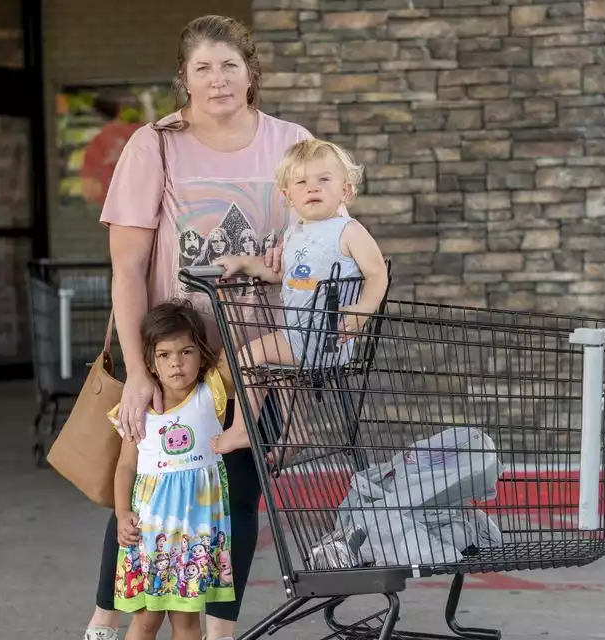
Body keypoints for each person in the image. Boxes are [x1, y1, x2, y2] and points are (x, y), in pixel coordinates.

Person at [85, 13, 348, 640]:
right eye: (202, 68)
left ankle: (218, 632)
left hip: (259, 354)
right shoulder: (157, 144)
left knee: (239, 495)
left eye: (230, 65)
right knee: (152, 493)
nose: (218, 80)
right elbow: (127, 269)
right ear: (184, 78)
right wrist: (139, 372)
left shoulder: (292, 142)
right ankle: (103, 623)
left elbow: (325, 237)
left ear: (251, 73)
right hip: (178, 352)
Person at [211, 138, 389, 458]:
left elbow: (378, 274)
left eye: (324, 179)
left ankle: (242, 428)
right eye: (302, 182)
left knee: (248, 357)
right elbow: (283, 274)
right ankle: (296, 431)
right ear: (287, 195)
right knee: (280, 369)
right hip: (301, 335)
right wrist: (244, 263)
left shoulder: (348, 231)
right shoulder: (296, 233)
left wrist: (362, 310)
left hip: (327, 336)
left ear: (345, 191)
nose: (312, 188)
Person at [107, 301, 235, 640]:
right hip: (151, 534)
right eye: (163, 355)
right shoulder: (138, 408)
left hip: (196, 532)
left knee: (186, 622)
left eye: (186, 351)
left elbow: (248, 354)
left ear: (202, 352)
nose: (175, 363)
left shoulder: (212, 391)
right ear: (149, 361)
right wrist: (122, 514)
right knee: (147, 619)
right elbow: (125, 466)